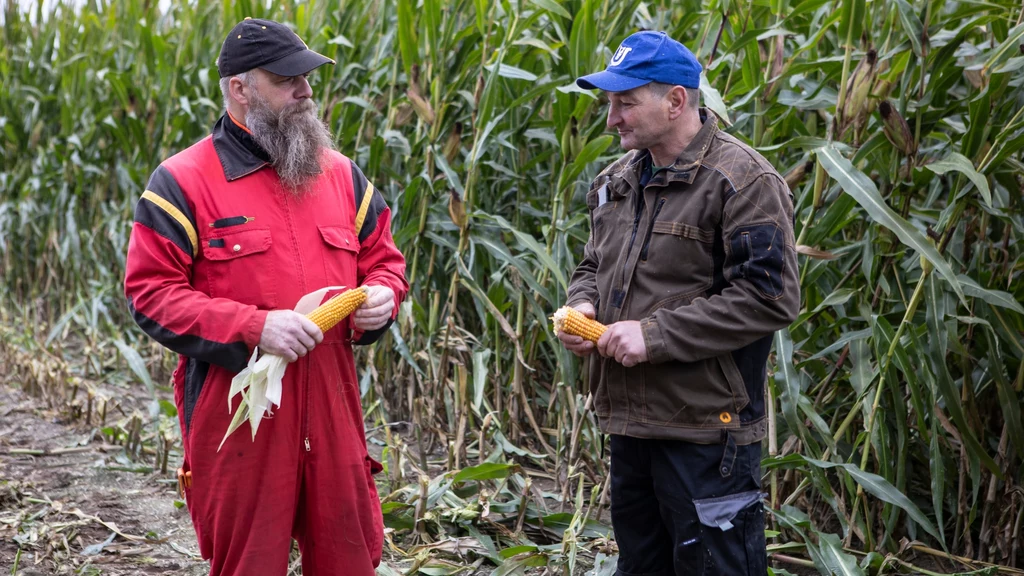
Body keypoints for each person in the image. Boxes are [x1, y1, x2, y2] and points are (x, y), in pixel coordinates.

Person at [123, 18, 408, 576]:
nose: (306, 92)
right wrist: (255, 328)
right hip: (240, 412)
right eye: (287, 80)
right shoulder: (181, 182)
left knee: (350, 558)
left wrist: (381, 299)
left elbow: (384, 262)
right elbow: (150, 293)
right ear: (240, 88)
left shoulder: (343, 177)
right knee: (248, 564)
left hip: (333, 404)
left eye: (308, 78)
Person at [557, 31, 799, 575]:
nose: (612, 118)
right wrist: (584, 306)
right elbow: (592, 264)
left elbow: (769, 298)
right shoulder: (615, 180)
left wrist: (654, 335)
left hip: (706, 431)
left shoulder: (742, 181)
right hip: (630, 423)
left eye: (625, 102)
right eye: (610, 103)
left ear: (675, 101)